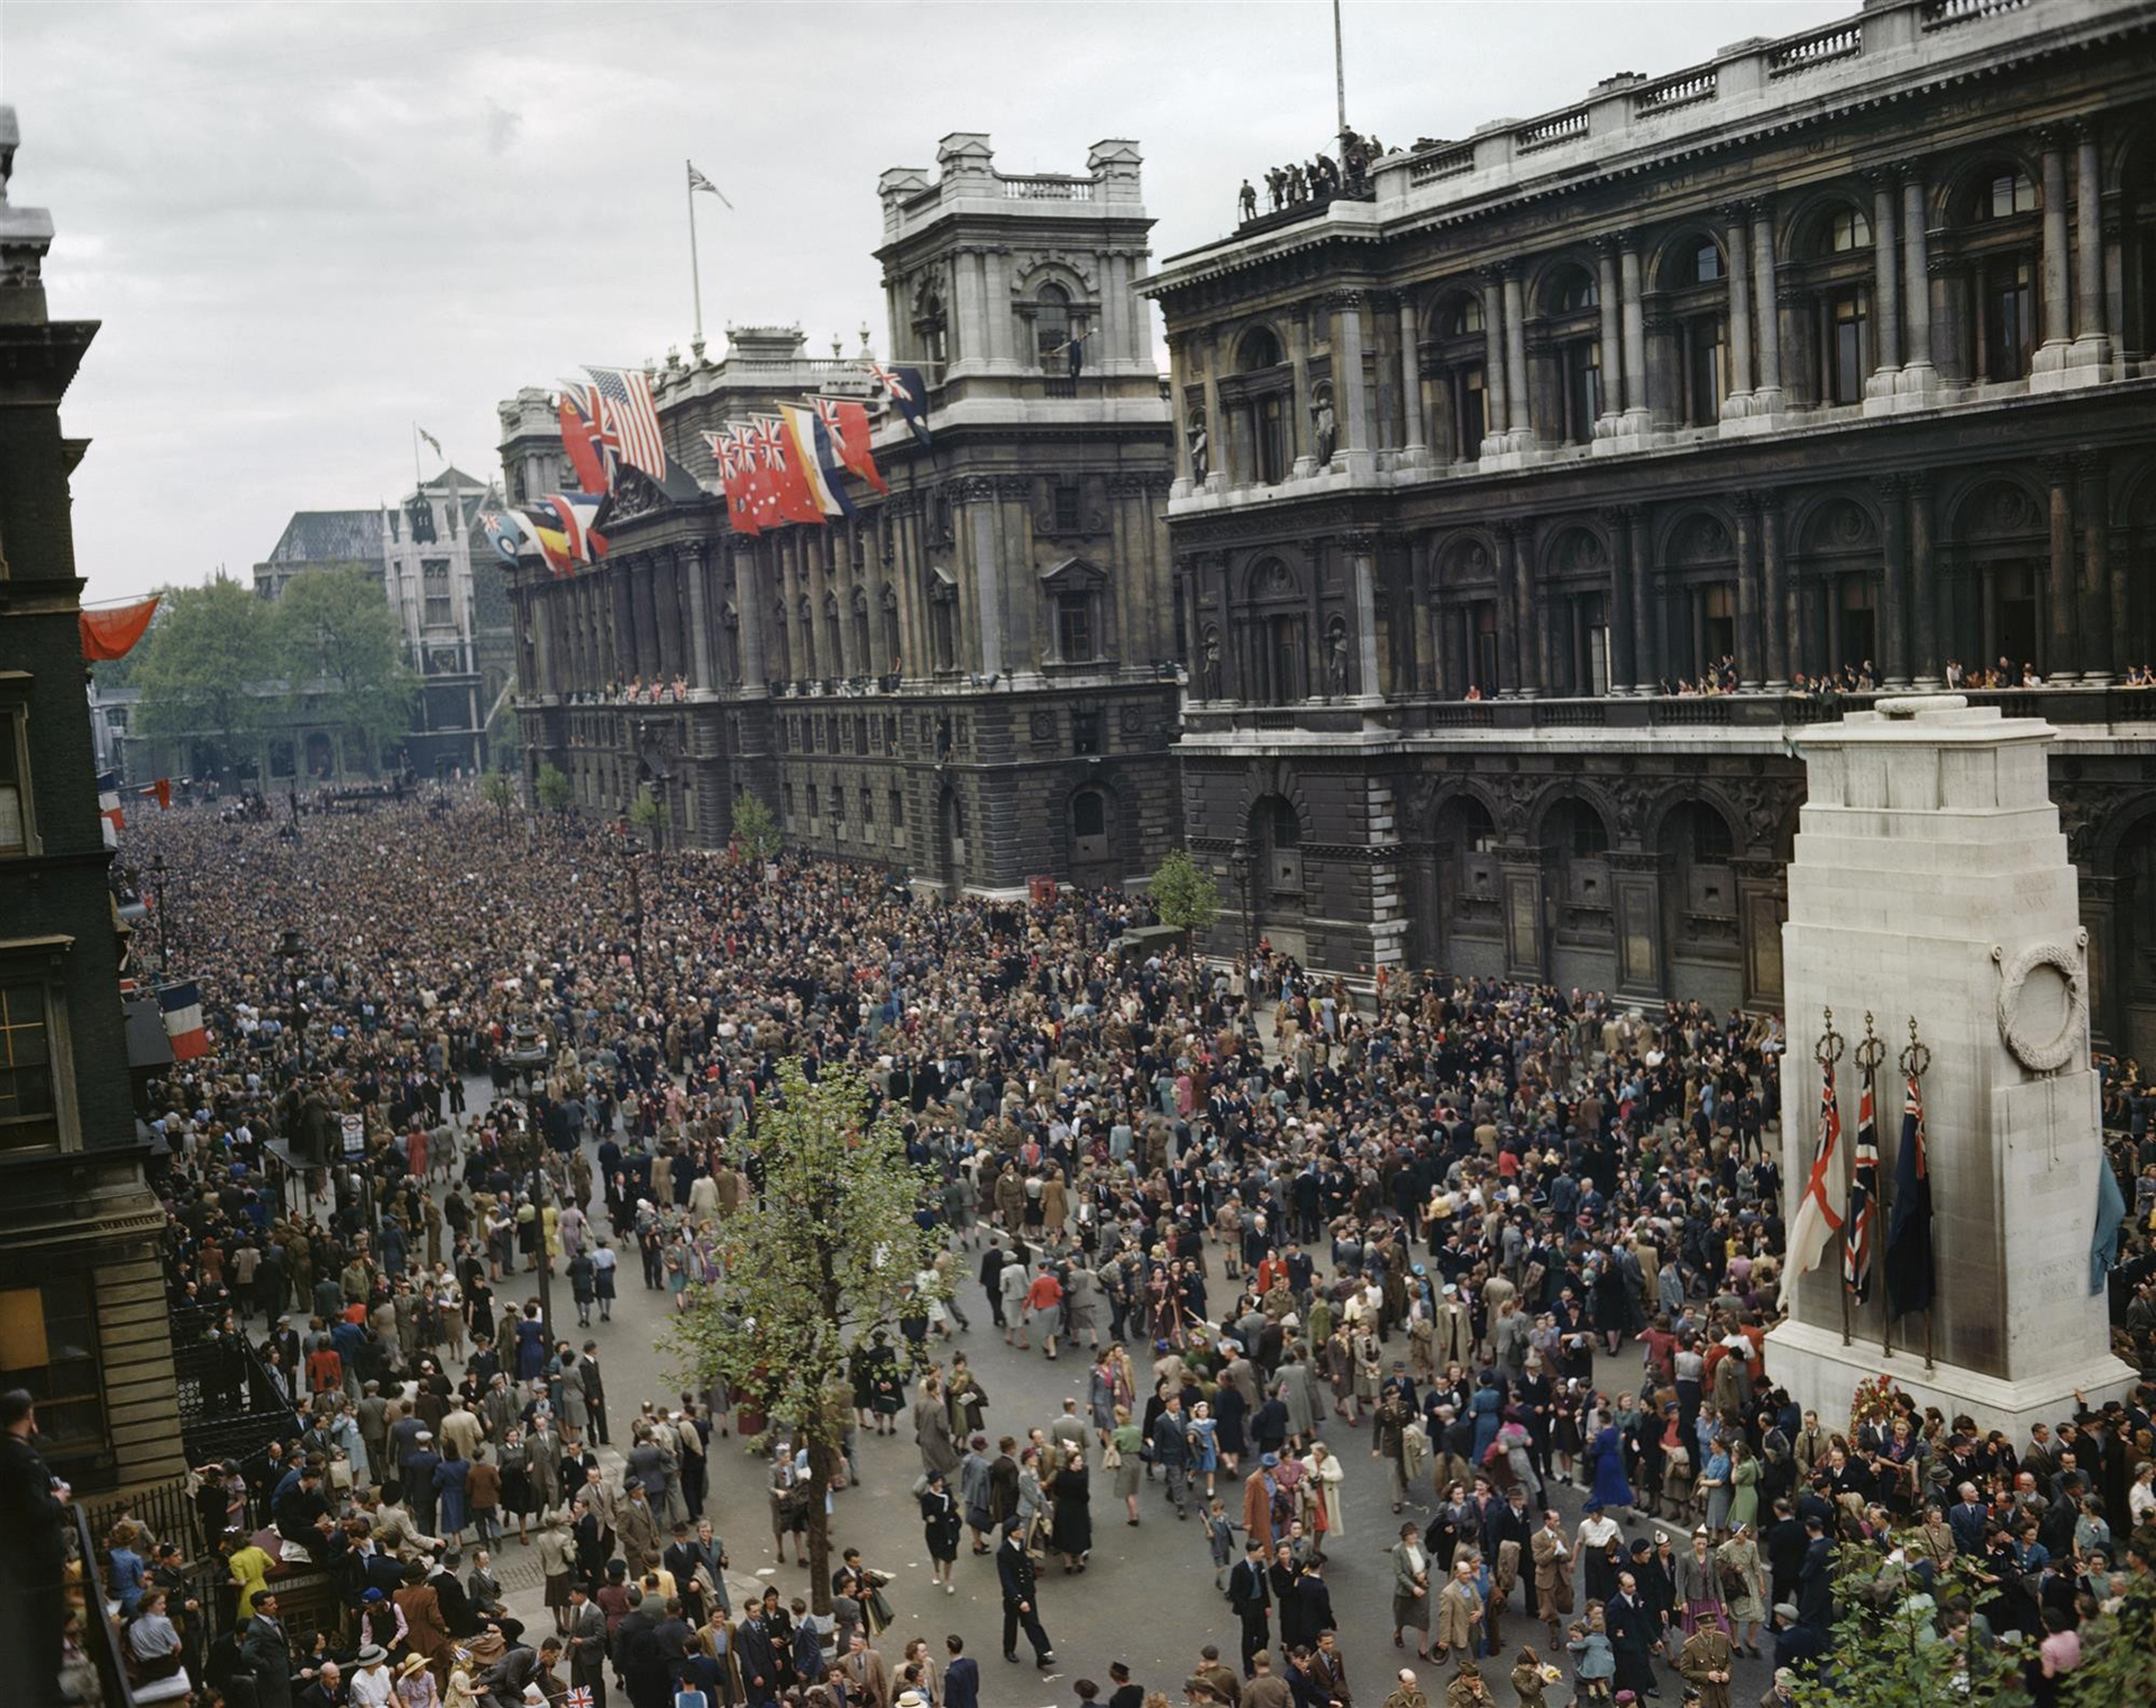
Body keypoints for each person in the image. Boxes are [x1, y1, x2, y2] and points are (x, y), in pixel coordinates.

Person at [2, 1390, 72, 1708]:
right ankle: (49, 1689)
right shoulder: (25, 1458)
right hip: (39, 1557)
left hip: (17, 1556)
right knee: (46, 1620)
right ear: (29, 1416)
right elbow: (36, 1512)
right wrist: (58, 1499)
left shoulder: (6, 1452)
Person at [995, 1525, 1052, 1666]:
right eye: (1019, 1529)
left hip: (1028, 1591)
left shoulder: (1022, 1544)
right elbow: (1006, 1580)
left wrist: (1032, 1575)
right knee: (1011, 1623)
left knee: (1032, 1622)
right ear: (1012, 1533)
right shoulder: (1003, 1552)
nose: (1023, 1531)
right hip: (1014, 1595)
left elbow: (1028, 1562)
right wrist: (1018, 1600)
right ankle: (1009, 1650)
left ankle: (1042, 1654)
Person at [1230, 1539, 1273, 1678]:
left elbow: (1264, 1586)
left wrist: (1267, 1605)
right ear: (1252, 1552)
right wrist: (1244, 1609)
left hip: (1260, 1603)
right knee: (1248, 1638)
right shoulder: (1239, 1569)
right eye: (1260, 1551)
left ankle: (1258, 1659)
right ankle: (1248, 1668)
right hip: (1248, 1606)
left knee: (1264, 1635)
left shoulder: (1259, 1565)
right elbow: (1234, 1592)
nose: (1263, 1554)